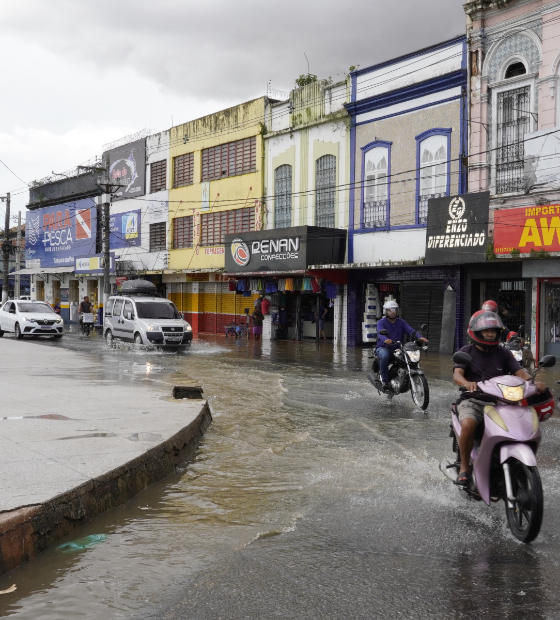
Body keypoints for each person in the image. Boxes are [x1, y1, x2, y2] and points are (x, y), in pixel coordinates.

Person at [453, 311, 547, 486]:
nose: (490, 334)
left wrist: (534, 383)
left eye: (494, 331)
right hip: (474, 399)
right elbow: (457, 374)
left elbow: (520, 372)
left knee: (522, 423)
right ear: (476, 332)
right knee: (468, 423)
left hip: (502, 401)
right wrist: (467, 383)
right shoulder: (467, 351)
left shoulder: (503, 352)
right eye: (486, 330)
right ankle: (464, 467)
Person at [376, 300, 428, 389]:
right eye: (390, 310)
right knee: (384, 356)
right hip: (383, 347)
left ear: (397, 311)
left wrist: (419, 337)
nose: (392, 312)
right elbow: (380, 333)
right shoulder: (381, 322)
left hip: (398, 347)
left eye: (394, 309)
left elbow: (410, 331)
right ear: (385, 311)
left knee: (410, 357)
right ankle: (385, 381)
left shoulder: (401, 322)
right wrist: (386, 340)